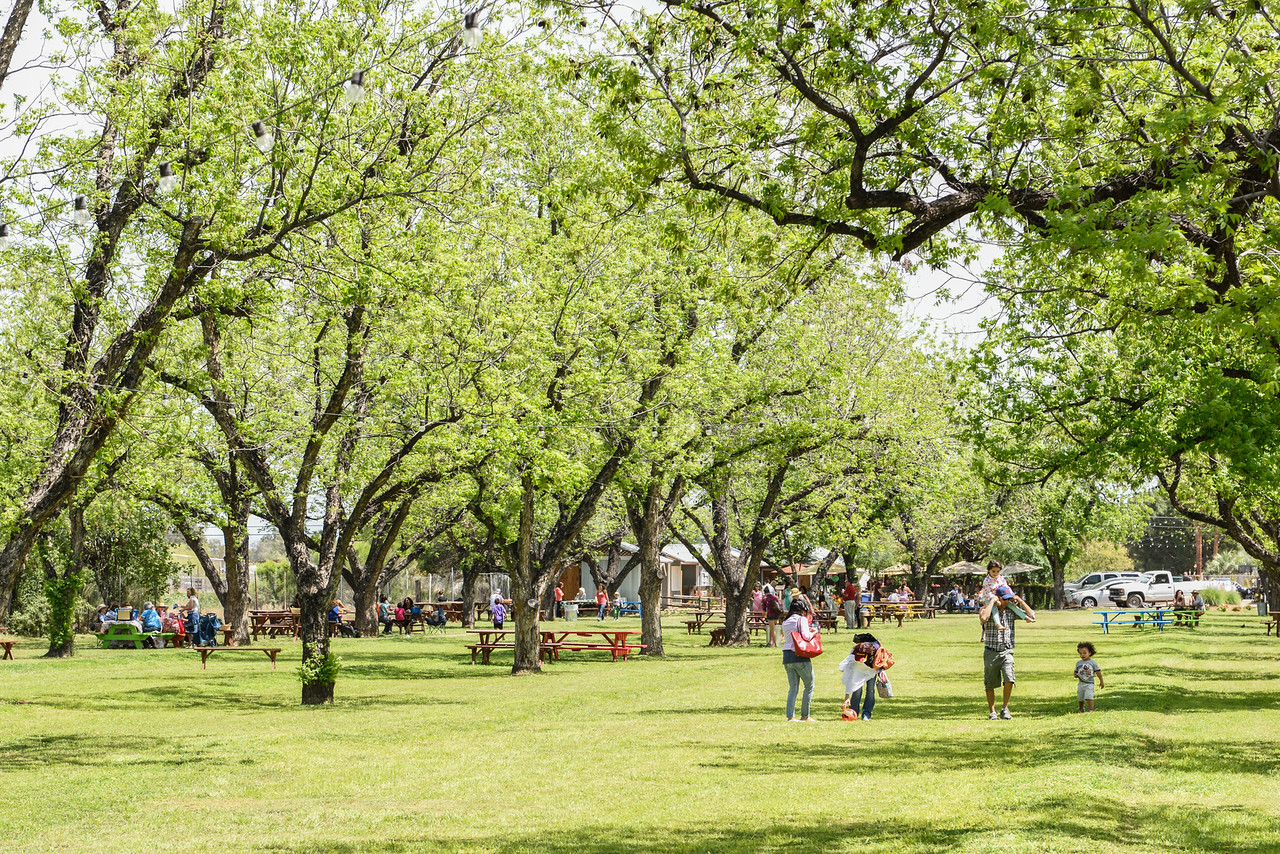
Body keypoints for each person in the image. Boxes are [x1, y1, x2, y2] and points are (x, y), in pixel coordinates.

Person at [980, 584, 1035, 720]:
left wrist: (1020, 601)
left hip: (1007, 651)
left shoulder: (1011, 611)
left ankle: (1005, 708)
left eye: (1008, 599)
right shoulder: (988, 608)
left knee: (1009, 678)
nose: (1006, 602)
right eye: (1004, 599)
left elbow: (1031, 615)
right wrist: (992, 601)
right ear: (998, 598)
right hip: (991, 651)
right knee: (990, 683)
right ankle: (992, 711)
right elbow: (983, 618)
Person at [780, 597, 819, 722]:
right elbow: (806, 637)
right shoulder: (801, 619)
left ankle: (790, 717)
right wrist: (814, 632)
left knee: (793, 688)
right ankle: (805, 715)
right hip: (799, 655)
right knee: (809, 685)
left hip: (787, 656)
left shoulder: (785, 622)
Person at [1074, 641, 1104, 712]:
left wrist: (1101, 681)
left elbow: (1098, 672)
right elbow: (1075, 672)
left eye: (1084, 653)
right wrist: (1075, 675)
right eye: (1080, 653)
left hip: (1089, 683)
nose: (1082, 655)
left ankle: (1091, 709)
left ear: (1089, 653)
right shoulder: (1078, 663)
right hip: (1081, 683)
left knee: (1089, 696)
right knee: (1080, 697)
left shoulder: (1093, 663)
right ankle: (1081, 708)